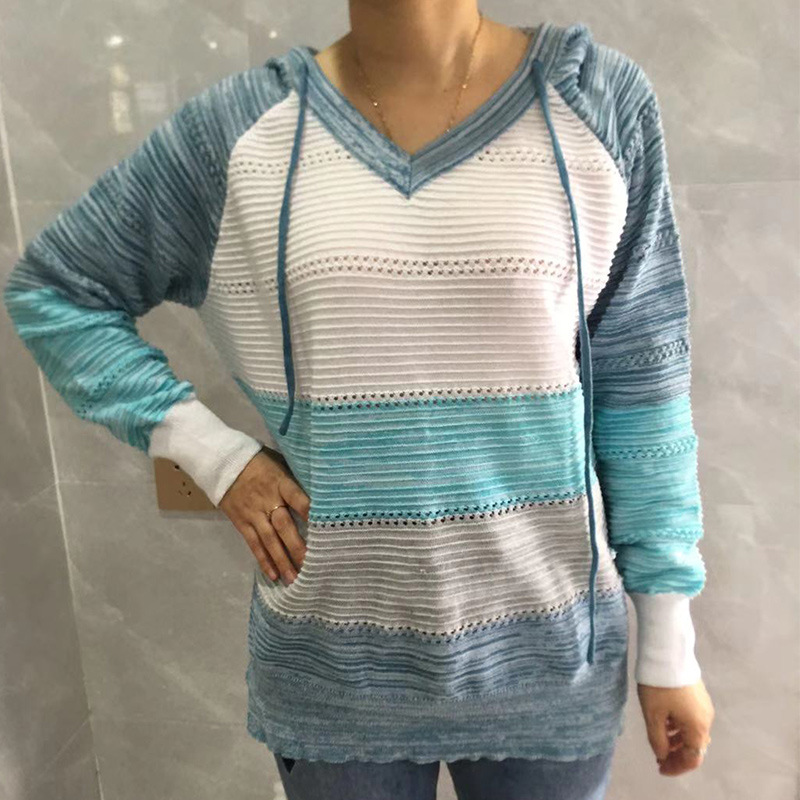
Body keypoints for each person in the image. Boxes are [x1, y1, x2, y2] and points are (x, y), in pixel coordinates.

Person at [3, 2, 715, 798]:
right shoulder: (238, 134)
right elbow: (56, 292)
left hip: (550, 662)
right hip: (335, 670)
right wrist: (212, 455)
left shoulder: (594, 102)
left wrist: (668, 643)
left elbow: (643, 384)